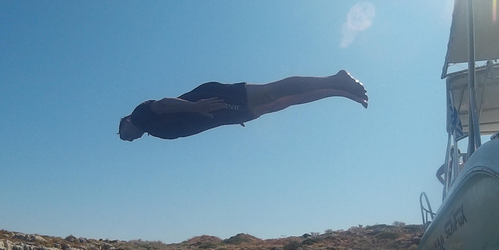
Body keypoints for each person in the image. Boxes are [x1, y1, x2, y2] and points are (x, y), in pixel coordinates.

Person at [118, 70, 368, 141]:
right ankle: (338, 90)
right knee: (280, 103)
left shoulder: (139, 116)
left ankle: (335, 80)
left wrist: (196, 107)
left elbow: (162, 104)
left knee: (273, 92)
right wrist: (226, 119)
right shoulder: (151, 129)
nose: (126, 139)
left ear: (126, 123)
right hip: (221, 112)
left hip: (214, 99)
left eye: (123, 135)